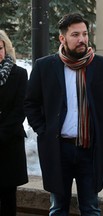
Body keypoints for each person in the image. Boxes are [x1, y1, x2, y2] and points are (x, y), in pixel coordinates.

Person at [24, 13, 103, 215]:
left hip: (90, 150)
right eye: (75, 34)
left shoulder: (102, 66)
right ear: (62, 38)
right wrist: (43, 131)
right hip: (58, 149)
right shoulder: (45, 66)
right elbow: (30, 103)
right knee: (57, 208)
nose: (82, 39)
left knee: (91, 207)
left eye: (84, 34)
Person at [0, 30, 28, 215]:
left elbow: (21, 109)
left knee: (8, 199)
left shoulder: (19, 74)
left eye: (0, 47)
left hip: (8, 144)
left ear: (6, 48)